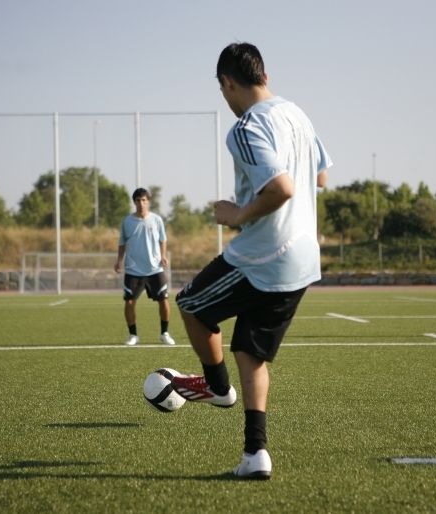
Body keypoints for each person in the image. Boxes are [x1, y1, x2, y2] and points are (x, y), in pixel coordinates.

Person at [171, 42, 331, 480]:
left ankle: (217, 388)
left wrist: (237, 214)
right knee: (249, 352)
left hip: (264, 254)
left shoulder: (246, 127)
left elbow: (282, 188)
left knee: (190, 305)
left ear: (227, 82)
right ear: (264, 75)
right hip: (303, 259)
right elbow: (320, 175)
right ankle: (255, 454)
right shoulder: (297, 114)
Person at [114, 187, 176, 346]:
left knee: (164, 300)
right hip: (133, 269)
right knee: (129, 302)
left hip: (155, 268)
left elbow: (163, 239)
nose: (141, 203)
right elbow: (122, 243)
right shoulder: (127, 221)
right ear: (134, 202)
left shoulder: (156, 219)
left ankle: (164, 333)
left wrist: (163, 255)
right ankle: (133, 335)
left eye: (144, 200)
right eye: (138, 200)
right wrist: (119, 260)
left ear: (148, 202)